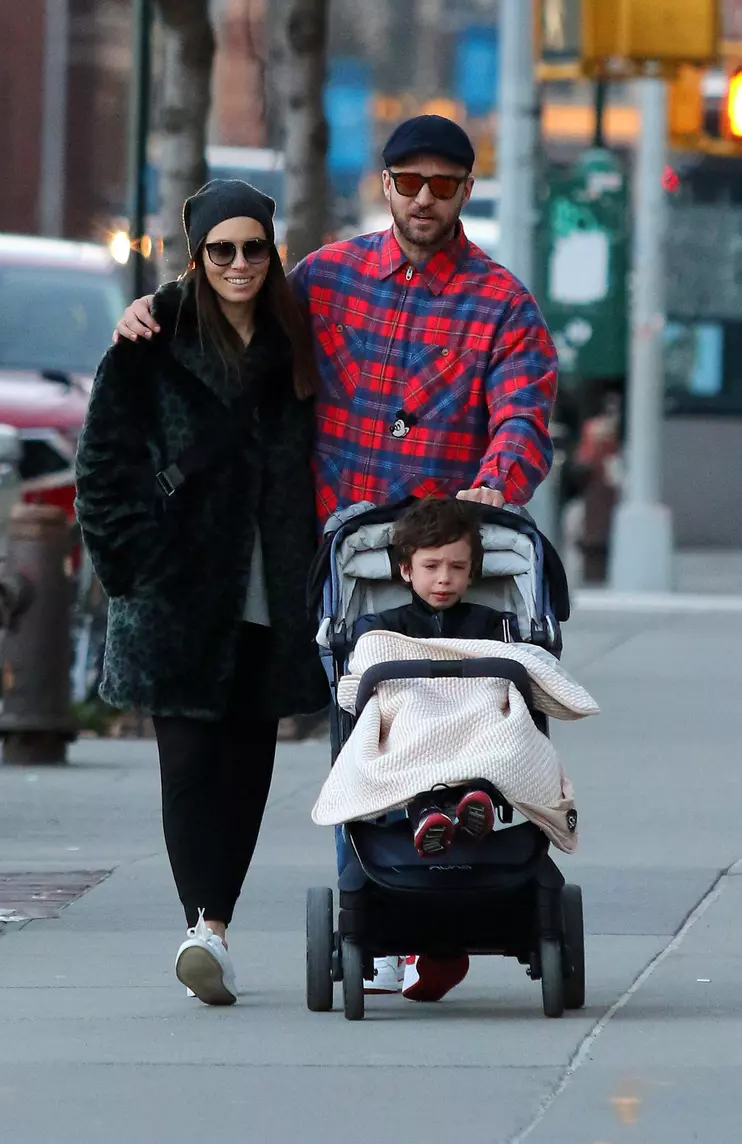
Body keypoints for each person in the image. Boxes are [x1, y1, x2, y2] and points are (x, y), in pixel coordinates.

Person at [114, 114, 558, 1002]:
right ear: (383, 185)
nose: (424, 198)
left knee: (454, 716)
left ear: (467, 191)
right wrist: (156, 309)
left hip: (442, 555)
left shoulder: (503, 302)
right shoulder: (328, 279)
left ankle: (446, 898)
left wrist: (490, 489)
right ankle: (382, 904)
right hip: (336, 556)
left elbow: (522, 413)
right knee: (362, 726)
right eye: (408, 181)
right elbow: (233, 308)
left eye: (443, 183)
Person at [75, 179, 328, 1007]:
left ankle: (216, 921)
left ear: (273, 252)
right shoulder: (150, 341)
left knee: (249, 763)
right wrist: (131, 568)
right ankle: (203, 932)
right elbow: (101, 468)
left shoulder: (298, 340)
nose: (240, 264)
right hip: (175, 592)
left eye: (255, 248)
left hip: (269, 587)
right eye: (222, 250)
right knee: (187, 763)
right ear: (198, 257)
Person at [356, 497, 516, 858]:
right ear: (406, 570)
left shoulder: (491, 623)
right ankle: (427, 812)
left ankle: (476, 800)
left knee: (494, 721)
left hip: (472, 716)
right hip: (414, 717)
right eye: (431, 566)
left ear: (472, 572)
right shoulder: (383, 626)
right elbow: (367, 668)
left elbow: (513, 671)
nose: (444, 578)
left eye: (457, 567)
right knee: (408, 726)